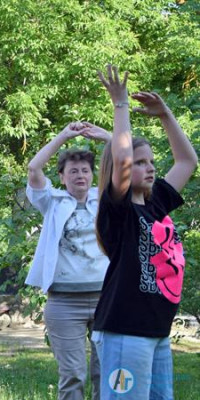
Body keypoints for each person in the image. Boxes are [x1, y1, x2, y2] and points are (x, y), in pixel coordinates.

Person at [91, 65, 197, 399]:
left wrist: (165, 114)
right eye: (140, 162)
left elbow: (186, 162)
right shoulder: (119, 209)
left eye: (150, 161)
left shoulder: (155, 206)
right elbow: (120, 159)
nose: (149, 167)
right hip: (125, 331)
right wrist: (120, 104)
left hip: (156, 331)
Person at [26, 122, 112, 400]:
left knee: (107, 372)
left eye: (85, 170)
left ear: (92, 175)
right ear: (62, 177)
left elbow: (130, 163)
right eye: (72, 171)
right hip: (64, 302)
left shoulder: (107, 199)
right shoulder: (52, 201)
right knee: (73, 374)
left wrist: (108, 137)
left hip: (107, 299)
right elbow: (34, 168)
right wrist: (64, 135)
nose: (79, 175)